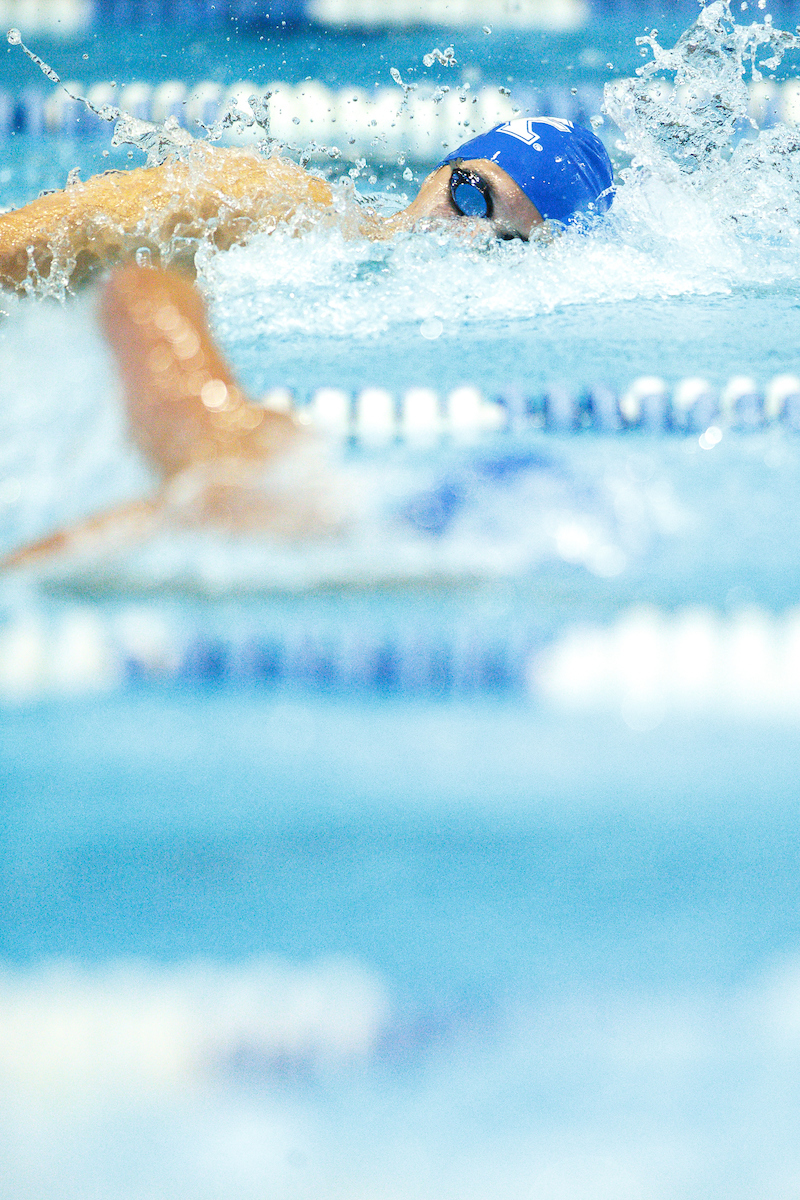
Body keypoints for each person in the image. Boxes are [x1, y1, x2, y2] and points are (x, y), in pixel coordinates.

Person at [0, 116, 614, 291]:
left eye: (510, 244)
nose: (469, 235)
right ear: (440, 171)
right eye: (474, 198)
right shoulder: (272, 204)